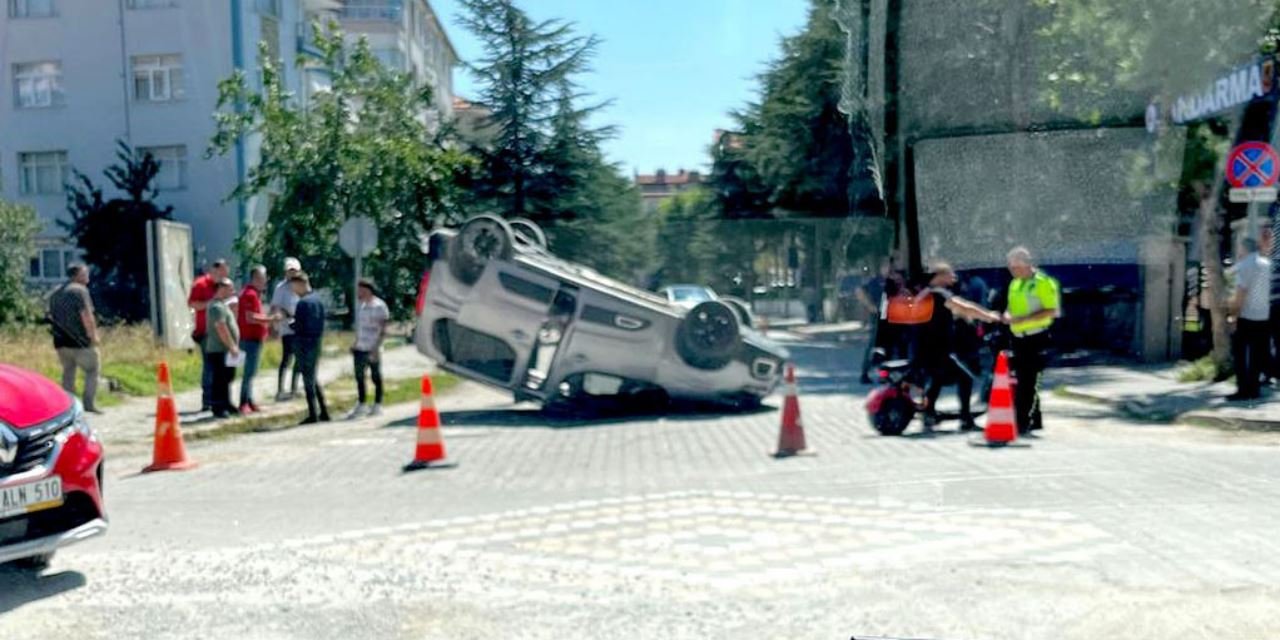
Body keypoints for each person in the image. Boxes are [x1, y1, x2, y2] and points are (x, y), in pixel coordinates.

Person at [917, 262, 1002, 431]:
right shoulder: (939, 294)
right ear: (939, 276)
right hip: (939, 349)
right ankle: (965, 419)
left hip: (925, 349)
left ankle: (929, 414)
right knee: (965, 377)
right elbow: (964, 307)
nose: (953, 277)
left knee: (937, 379)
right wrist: (989, 316)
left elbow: (954, 313)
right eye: (949, 274)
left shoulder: (924, 294)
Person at [1002, 247, 1061, 435]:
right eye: (1011, 268)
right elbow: (1010, 307)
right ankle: (1035, 419)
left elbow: (1052, 310)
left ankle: (1021, 423)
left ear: (1026, 264)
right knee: (1025, 380)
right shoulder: (1015, 283)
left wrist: (1024, 319)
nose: (1013, 271)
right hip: (1018, 338)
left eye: (1016, 267)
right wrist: (1007, 315)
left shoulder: (1044, 283)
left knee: (1027, 382)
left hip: (1036, 337)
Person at [48, 263, 102, 413]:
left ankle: (68, 406)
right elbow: (86, 315)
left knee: (68, 372)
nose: (87, 277)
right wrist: (93, 335)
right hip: (80, 341)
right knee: (92, 369)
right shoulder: (79, 291)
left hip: (60, 341)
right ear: (77, 275)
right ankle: (89, 403)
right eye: (85, 274)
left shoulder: (55, 292)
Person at [1229, 234, 1272, 401]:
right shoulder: (1266, 264)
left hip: (1247, 315)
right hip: (1263, 315)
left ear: (1244, 248)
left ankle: (1243, 389)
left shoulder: (1245, 265)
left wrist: (1234, 316)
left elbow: (1241, 292)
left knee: (1240, 354)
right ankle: (1254, 388)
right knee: (1257, 354)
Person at [346, 279, 390, 419]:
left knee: (375, 376)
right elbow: (360, 328)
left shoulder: (379, 306)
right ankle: (362, 403)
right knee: (359, 376)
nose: (358, 293)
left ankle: (377, 404)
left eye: (360, 289)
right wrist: (355, 343)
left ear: (367, 289)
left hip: (373, 346)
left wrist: (376, 348)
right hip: (361, 346)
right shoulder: (361, 306)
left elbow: (383, 329)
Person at [189, 259, 229, 412]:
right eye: (223, 271)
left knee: (220, 367)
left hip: (220, 331)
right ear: (215, 270)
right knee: (209, 366)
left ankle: (218, 399)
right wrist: (211, 303)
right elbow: (192, 304)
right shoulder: (200, 284)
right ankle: (207, 400)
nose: (225, 274)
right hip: (205, 331)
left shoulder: (221, 286)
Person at [290, 272, 330, 424]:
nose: (294, 290)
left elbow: (299, 325)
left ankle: (313, 413)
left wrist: (291, 324)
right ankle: (324, 411)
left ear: (300, 284)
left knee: (308, 379)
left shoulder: (303, 303)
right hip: (316, 341)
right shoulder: (318, 300)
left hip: (304, 343)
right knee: (313, 377)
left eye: (294, 286)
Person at [236, 265, 273, 414]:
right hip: (249, 338)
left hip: (255, 338)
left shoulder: (255, 294)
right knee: (248, 372)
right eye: (263, 279)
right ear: (255, 278)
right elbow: (250, 317)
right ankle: (243, 401)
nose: (265, 282)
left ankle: (249, 400)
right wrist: (270, 319)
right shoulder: (249, 294)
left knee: (252, 371)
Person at [205, 278, 241, 419]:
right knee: (220, 379)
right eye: (230, 288)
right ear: (221, 288)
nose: (232, 291)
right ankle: (218, 407)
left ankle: (227, 403)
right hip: (219, 350)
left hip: (226, 350)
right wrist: (231, 346)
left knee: (227, 377)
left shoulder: (223, 305)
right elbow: (221, 327)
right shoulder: (216, 307)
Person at [270, 258, 304, 401]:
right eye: (289, 270)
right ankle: (280, 389)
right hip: (287, 328)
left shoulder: (302, 285)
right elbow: (275, 306)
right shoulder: (280, 288)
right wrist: (276, 324)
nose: (292, 273)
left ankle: (294, 388)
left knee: (299, 360)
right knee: (286, 359)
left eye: (294, 270)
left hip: (300, 328)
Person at [857, 262, 887, 384]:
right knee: (873, 346)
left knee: (886, 348)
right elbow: (860, 292)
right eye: (886, 266)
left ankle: (884, 375)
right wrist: (870, 307)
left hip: (891, 317)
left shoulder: (894, 281)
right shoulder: (875, 281)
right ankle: (865, 373)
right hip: (877, 318)